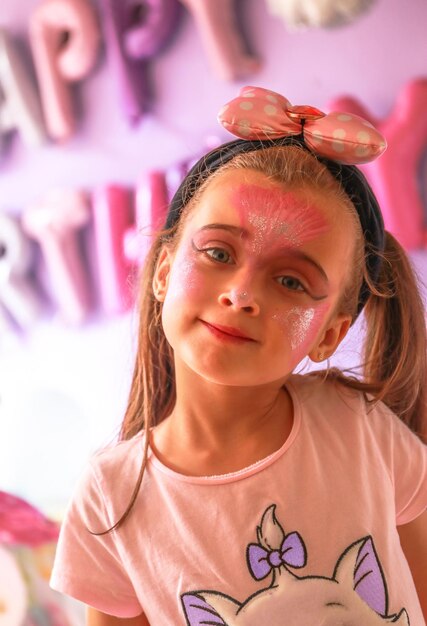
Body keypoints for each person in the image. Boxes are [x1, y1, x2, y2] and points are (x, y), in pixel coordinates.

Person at [50, 87, 427, 625]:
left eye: (292, 281)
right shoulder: (110, 497)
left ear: (328, 333)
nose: (242, 293)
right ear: (161, 272)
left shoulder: (359, 427)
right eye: (219, 253)